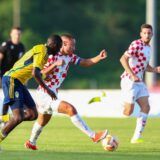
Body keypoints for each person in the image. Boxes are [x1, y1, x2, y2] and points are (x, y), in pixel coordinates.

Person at [24, 34, 108, 150]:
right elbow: (40, 74)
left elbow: (84, 62)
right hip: (44, 93)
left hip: (52, 93)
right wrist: (54, 65)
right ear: (63, 44)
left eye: (74, 46)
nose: (74, 48)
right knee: (70, 109)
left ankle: (31, 142)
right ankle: (93, 136)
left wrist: (98, 57)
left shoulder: (70, 56)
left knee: (42, 121)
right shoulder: (52, 56)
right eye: (72, 46)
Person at [0, 34, 62, 143]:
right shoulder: (42, 50)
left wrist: (47, 74)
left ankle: (7, 120)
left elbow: (36, 72)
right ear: (54, 45)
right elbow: (35, 73)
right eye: (59, 47)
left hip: (19, 82)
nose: (59, 50)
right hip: (12, 79)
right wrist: (48, 90)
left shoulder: (44, 54)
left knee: (33, 114)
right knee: (18, 117)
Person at [120, 24, 160, 144]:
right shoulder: (136, 44)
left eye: (149, 33)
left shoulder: (149, 48)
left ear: (152, 34)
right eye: (145, 33)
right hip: (129, 80)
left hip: (139, 82)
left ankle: (136, 138)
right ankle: (122, 103)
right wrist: (132, 75)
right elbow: (123, 59)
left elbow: (144, 66)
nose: (147, 35)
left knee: (146, 107)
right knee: (128, 111)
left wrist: (155, 70)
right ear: (140, 34)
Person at [0, 27, 25, 115]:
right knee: (8, 97)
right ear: (11, 34)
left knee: (10, 97)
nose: (17, 36)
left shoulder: (21, 46)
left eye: (18, 34)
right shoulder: (6, 44)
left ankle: (5, 119)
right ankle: (4, 119)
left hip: (15, 76)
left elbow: (22, 63)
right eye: (15, 33)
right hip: (4, 76)